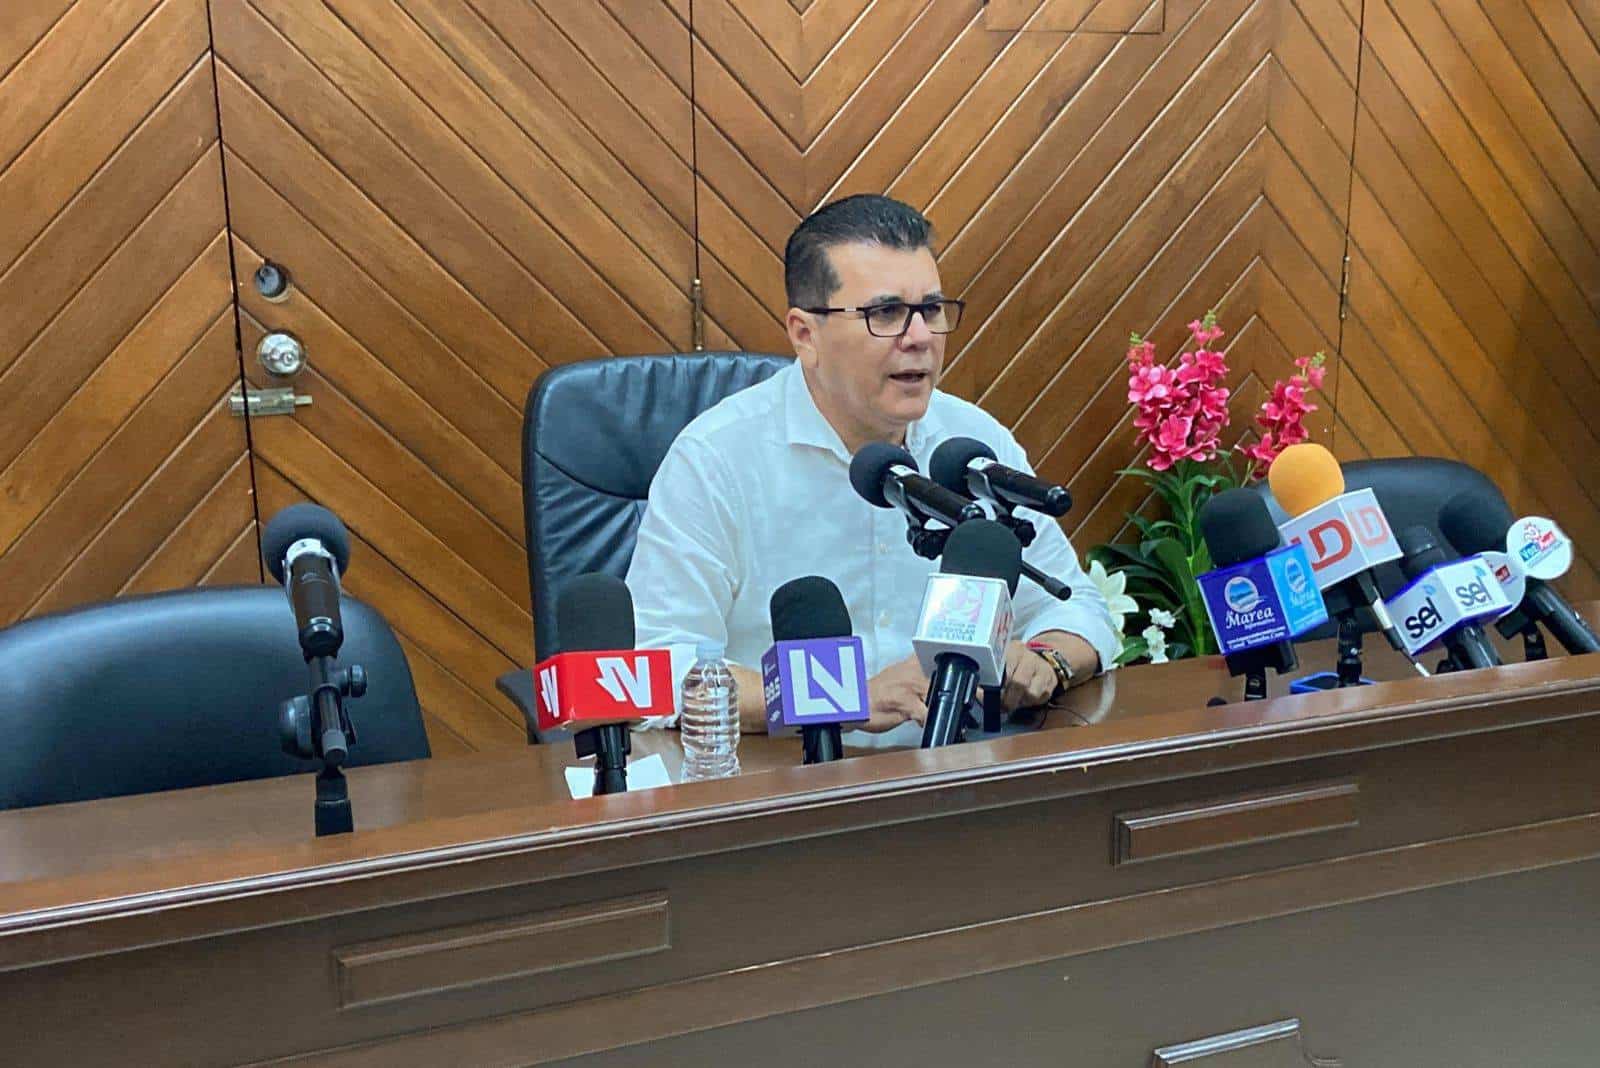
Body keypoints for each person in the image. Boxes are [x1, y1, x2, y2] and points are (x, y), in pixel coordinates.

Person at [626, 194, 1117, 748]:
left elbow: (1076, 610)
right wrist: (847, 696)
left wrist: (1046, 660)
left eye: (931, 309)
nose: (920, 337)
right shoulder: (717, 459)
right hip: (788, 775)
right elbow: (657, 670)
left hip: (959, 768)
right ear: (805, 335)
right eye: (885, 314)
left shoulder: (973, 445)